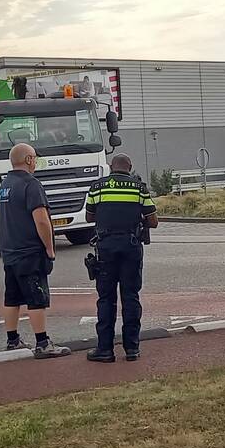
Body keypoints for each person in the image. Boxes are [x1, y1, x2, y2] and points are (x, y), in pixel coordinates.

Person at [0, 143, 71, 358]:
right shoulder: (31, 184)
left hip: (10, 250)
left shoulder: (5, 184)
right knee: (36, 297)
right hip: (29, 251)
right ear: (29, 159)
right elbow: (41, 220)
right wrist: (49, 247)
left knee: (12, 297)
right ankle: (43, 343)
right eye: (35, 158)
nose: (36, 162)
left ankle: (12, 340)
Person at [85, 154, 158, 363]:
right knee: (131, 296)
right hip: (131, 247)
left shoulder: (97, 187)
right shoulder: (139, 188)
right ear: (130, 167)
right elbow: (153, 221)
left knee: (106, 298)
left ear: (110, 167)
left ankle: (105, 350)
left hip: (105, 248)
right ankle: (132, 349)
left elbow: (89, 216)